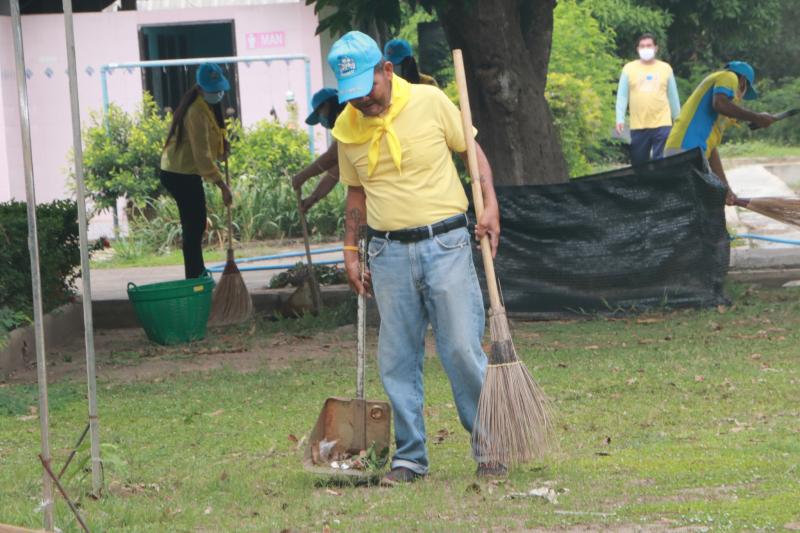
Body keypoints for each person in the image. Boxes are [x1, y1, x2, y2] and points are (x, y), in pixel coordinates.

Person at [329, 31, 502, 484]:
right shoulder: (347, 127)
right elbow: (356, 192)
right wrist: (350, 249)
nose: (362, 102)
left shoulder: (429, 101)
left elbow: (472, 151)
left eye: (369, 89)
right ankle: (409, 458)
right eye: (352, 96)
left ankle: (489, 446)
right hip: (387, 253)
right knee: (397, 359)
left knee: (462, 349)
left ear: (386, 70)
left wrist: (490, 204)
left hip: (445, 243)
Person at [665, 61, 776, 204]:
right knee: (699, 206)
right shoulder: (729, 76)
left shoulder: (713, 120)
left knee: (696, 205)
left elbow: (712, 151)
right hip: (687, 149)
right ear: (742, 81)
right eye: (744, 91)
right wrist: (757, 117)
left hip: (689, 150)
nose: (740, 97)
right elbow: (720, 104)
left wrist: (725, 188)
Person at [160, 62, 233, 279]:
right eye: (213, 90)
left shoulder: (207, 107)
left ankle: (196, 273)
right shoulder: (195, 111)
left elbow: (208, 146)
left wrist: (222, 149)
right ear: (200, 88)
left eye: (219, 89)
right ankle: (195, 276)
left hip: (186, 172)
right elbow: (202, 156)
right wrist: (223, 186)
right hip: (178, 174)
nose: (218, 94)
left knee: (195, 224)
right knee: (195, 224)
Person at [615, 33, 681, 165]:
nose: (646, 49)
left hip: (662, 123)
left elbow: (673, 97)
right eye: (642, 46)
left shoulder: (665, 68)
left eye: (649, 45)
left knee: (661, 162)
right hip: (638, 125)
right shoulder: (629, 68)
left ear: (656, 48)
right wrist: (619, 118)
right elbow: (622, 96)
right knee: (639, 164)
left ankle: (661, 184)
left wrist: (678, 120)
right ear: (637, 49)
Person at [291, 88, 344, 212]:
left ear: (326, 105)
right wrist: (313, 198)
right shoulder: (341, 125)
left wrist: (303, 176)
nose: (321, 120)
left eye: (319, 113)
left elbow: (332, 156)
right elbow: (335, 171)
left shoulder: (346, 118)